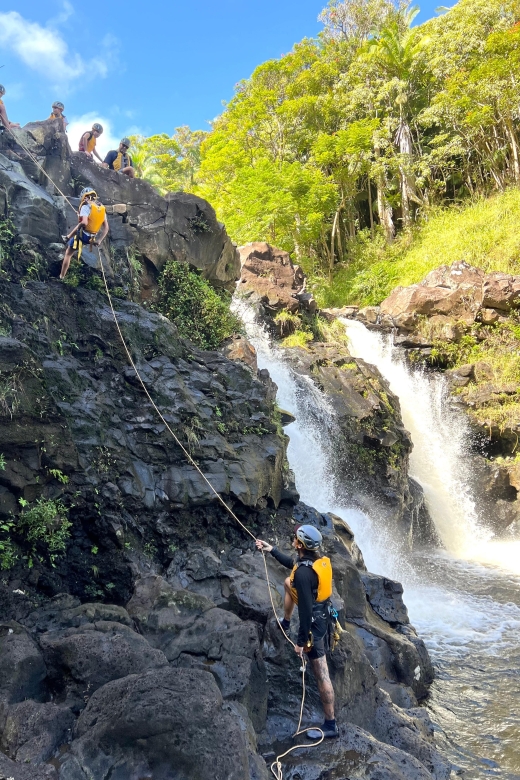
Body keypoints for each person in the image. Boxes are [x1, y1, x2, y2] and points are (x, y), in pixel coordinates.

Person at [256, 525, 339, 740]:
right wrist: (271, 549)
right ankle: (285, 621)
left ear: (300, 545)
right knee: (286, 582)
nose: (292, 539)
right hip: (323, 614)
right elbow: (293, 565)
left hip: (314, 622)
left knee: (321, 673)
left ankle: (331, 724)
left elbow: (306, 613)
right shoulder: (314, 561)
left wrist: (301, 643)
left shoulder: (303, 575)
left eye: (295, 538)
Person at [60, 187, 109, 279]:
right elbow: (106, 227)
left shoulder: (85, 206)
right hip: (92, 238)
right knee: (79, 229)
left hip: (83, 235)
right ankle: (67, 237)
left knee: (68, 253)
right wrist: (99, 240)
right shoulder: (101, 209)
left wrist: (79, 224)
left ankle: (62, 276)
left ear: (84, 197)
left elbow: (84, 223)